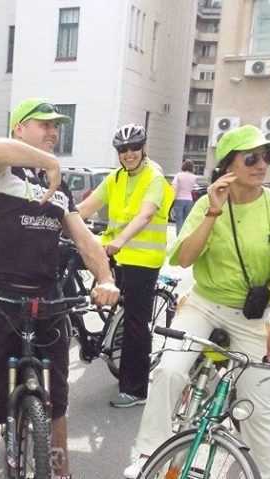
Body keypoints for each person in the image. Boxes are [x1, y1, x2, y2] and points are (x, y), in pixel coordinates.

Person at [123, 125, 270, 479]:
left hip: (251, 316)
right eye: (251, 157)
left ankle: (268, 475)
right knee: (169, 371)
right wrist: (213, 212)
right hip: (204, 304)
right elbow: (184, 259)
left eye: (266, 156)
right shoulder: (207, 203)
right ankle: (149, 454)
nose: (262, 164)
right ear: (228, 166)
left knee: (255, 405)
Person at [0, 98, 120, 479]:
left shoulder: (57, 189)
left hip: (48, 301)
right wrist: (49, 162)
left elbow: (86, 241)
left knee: (55, 405)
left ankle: (60, 472)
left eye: (57, 127)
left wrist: (105, 278)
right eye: (44, 124)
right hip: (2, 301)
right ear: (19, 128)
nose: (53, 132)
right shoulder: (1, 172)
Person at [77, 123, 174, 408]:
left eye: (134, 147)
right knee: (93, 291)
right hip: (116, 255)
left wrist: (119, 239)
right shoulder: (115, 178)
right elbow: (86, 208)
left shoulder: (154, 177)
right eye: (123, 149)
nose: (129, 153)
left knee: (135, 322)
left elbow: (145, 216)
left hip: (142, 261)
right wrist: (60, 219)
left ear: (144, 148)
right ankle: (103, 338)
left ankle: (135, 390)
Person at [171, 159, 198, 235]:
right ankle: (184, 236)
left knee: (179, 220)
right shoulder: (194, 177)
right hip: (189, 199)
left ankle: (179, 237)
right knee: (186, 220)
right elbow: (193, 188)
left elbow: (174, 186)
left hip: (179, 199)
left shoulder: (179, 175)